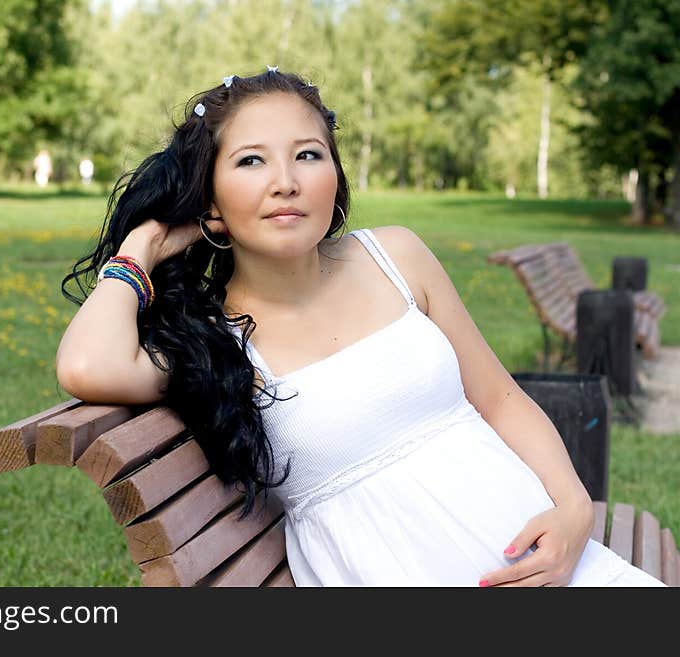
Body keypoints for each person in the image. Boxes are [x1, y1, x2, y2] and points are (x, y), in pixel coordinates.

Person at [55, 68, 665, 587]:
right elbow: (85, 365)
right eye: (250, 161)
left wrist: (575, 511)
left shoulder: (395, 256)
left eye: (307, 154)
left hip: (550, 557)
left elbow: (501, 399)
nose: (285, 181)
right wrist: (144, 245)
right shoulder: (215, 342)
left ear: (334, 177)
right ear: (209, 202)